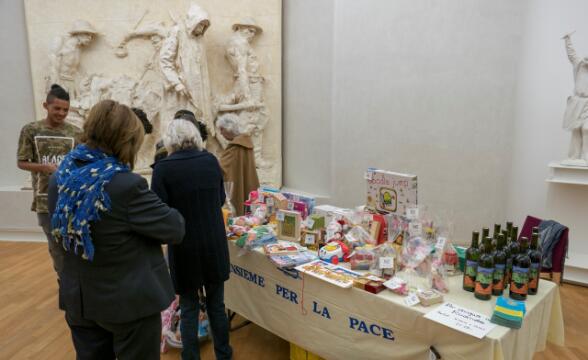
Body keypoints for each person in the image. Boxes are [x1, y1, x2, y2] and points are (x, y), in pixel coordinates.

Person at [47, 99, 185, 360]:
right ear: (125, 140)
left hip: (81, 298)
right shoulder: (125, 185)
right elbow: (174, 228)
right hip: (128, 302)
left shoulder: (61, 176)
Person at [152, 118, 232, 360]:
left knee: (188, 307)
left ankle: (191, 357)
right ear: (196, 137)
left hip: (183, 246)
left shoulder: (163, 169)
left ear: (170, 140)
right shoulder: (210, 161)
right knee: (217, 305)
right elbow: (219, 200)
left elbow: (160, 211)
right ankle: (223, 354)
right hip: (214, 243)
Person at [17, 84, 81, 277]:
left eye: (65, 109)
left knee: (75, 244)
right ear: (46, 105)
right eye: (57, 108)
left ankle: (78, 284)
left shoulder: (76, 133)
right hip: (45, 201)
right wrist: (44, 168)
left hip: (72, 200)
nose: (61, 113)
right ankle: (65, 285)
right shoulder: (31, 130)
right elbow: (22, 162)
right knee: (56, 247)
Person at [217, 113, 260, 216]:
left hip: (236, 186)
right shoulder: (246, 142)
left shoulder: (235, 146)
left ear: (229, 128)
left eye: (222, 129)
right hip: (248, 183)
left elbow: (222, 168)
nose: (220, 133)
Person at [562, 31, 588, 165]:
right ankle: (573, 157)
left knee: (586, 129)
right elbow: (572, 54)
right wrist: (567, 40)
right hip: (578, 101)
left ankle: (586, 157)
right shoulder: (579, 65)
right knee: (576, 129)